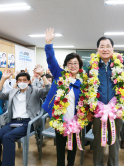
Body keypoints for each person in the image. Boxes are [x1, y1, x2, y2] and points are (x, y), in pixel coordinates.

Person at [87, 30, 124, 166]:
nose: (105, 49)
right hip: (98, 111)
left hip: (116, 110)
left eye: (108, 46)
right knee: (97, 142)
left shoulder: (123, 64)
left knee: (114, 141)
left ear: (113, 49)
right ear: (97, 49)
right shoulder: (92, 67)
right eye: (102, 46)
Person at [42, 28, 87, 166]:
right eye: (70, 63)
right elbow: (51, 60)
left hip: (74, 120)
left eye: (75, 63)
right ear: (66, 65)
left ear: (79, 66)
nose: (72, 65)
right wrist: (48, 44)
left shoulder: (82, 82)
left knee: (72, 148)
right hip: (60, 119)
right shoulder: (60, 75)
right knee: (60, 149)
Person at [0, 67, 50, 166]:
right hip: (12, 122)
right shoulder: (13, 92)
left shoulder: (34, 91)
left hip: (28, 122)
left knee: (7, 138)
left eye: (24, 80)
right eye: (20, 80)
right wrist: (3, 79)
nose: (22, 82)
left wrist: (42, 75)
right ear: (17, 82)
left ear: (29, 81)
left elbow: (48, 89)